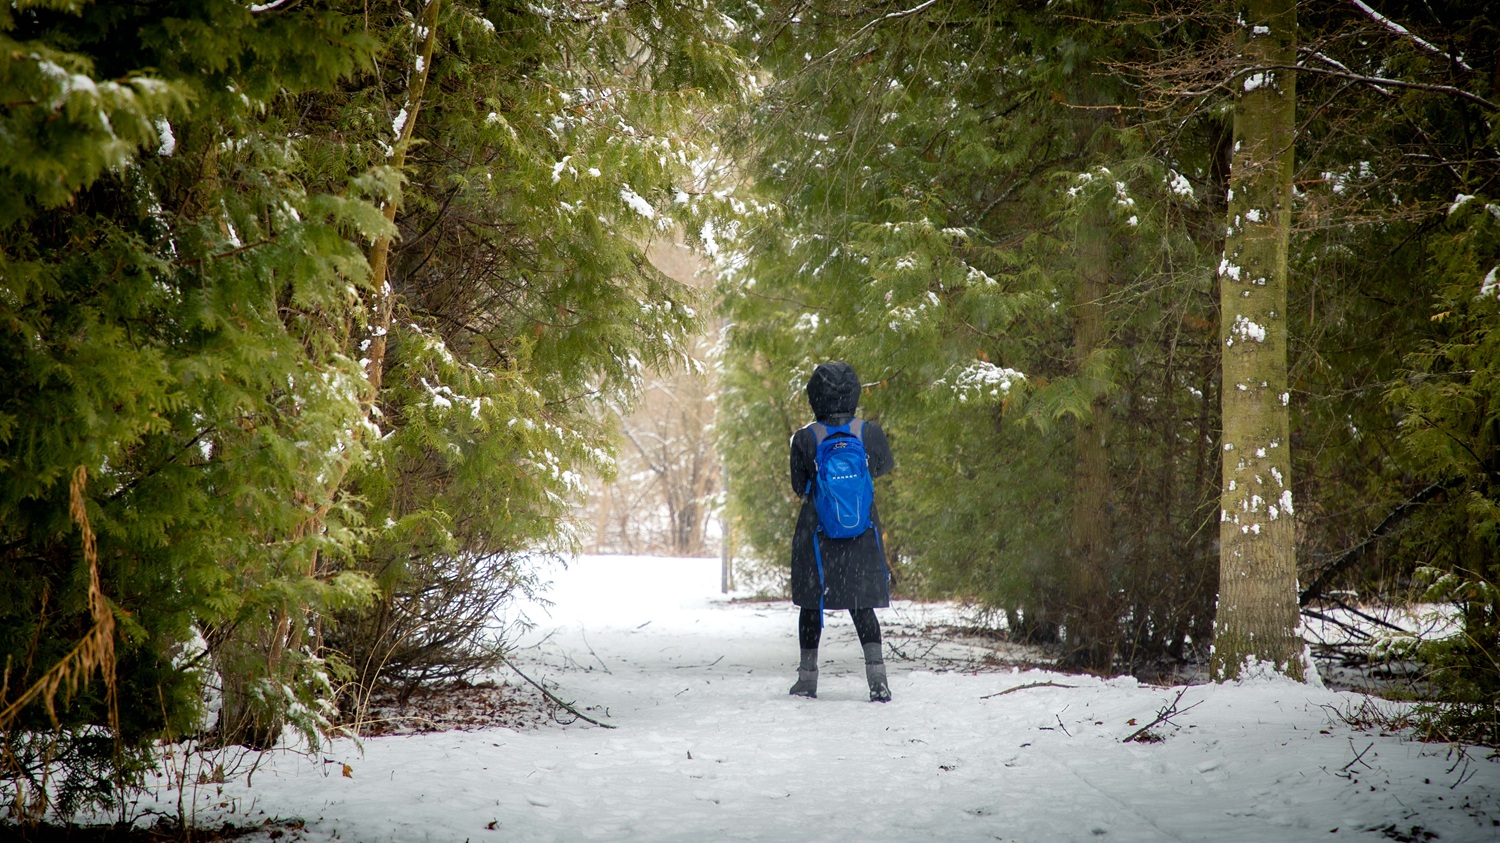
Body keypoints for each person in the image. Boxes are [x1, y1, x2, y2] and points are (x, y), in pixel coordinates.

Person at [787, 361, 895, 702]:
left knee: (811, 605)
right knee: (862, 605)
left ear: (814, 396)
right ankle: (878, 680)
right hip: (862, 531)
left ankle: (807, 680)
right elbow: (881, 468)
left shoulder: (805, 438)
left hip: (816, 534)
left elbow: (799, 486)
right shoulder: (870, 432)